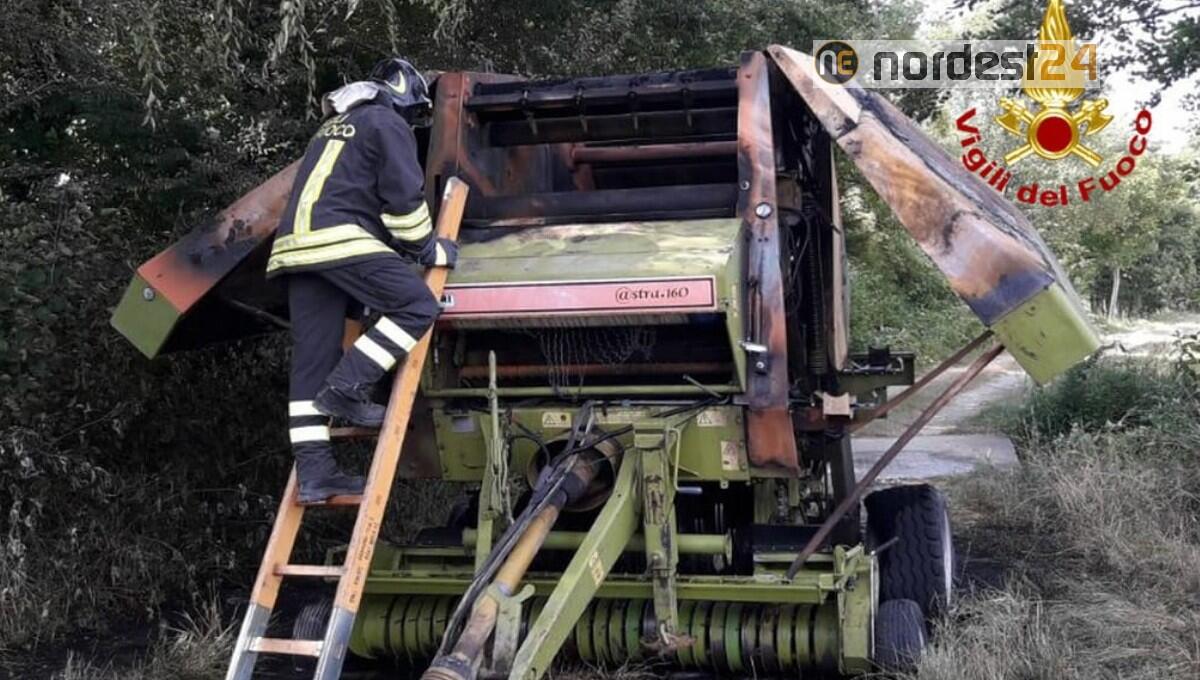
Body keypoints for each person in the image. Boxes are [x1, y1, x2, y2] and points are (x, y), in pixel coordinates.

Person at [265, 58, 458, 504]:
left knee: (310, 364)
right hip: (339, 241)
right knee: (416, 306)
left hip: (296, 250)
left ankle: (316, 475)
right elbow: (403, 205)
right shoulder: (388, 124)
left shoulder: (336, 126)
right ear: (407, 99)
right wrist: (431, 251)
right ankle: (347, 387)